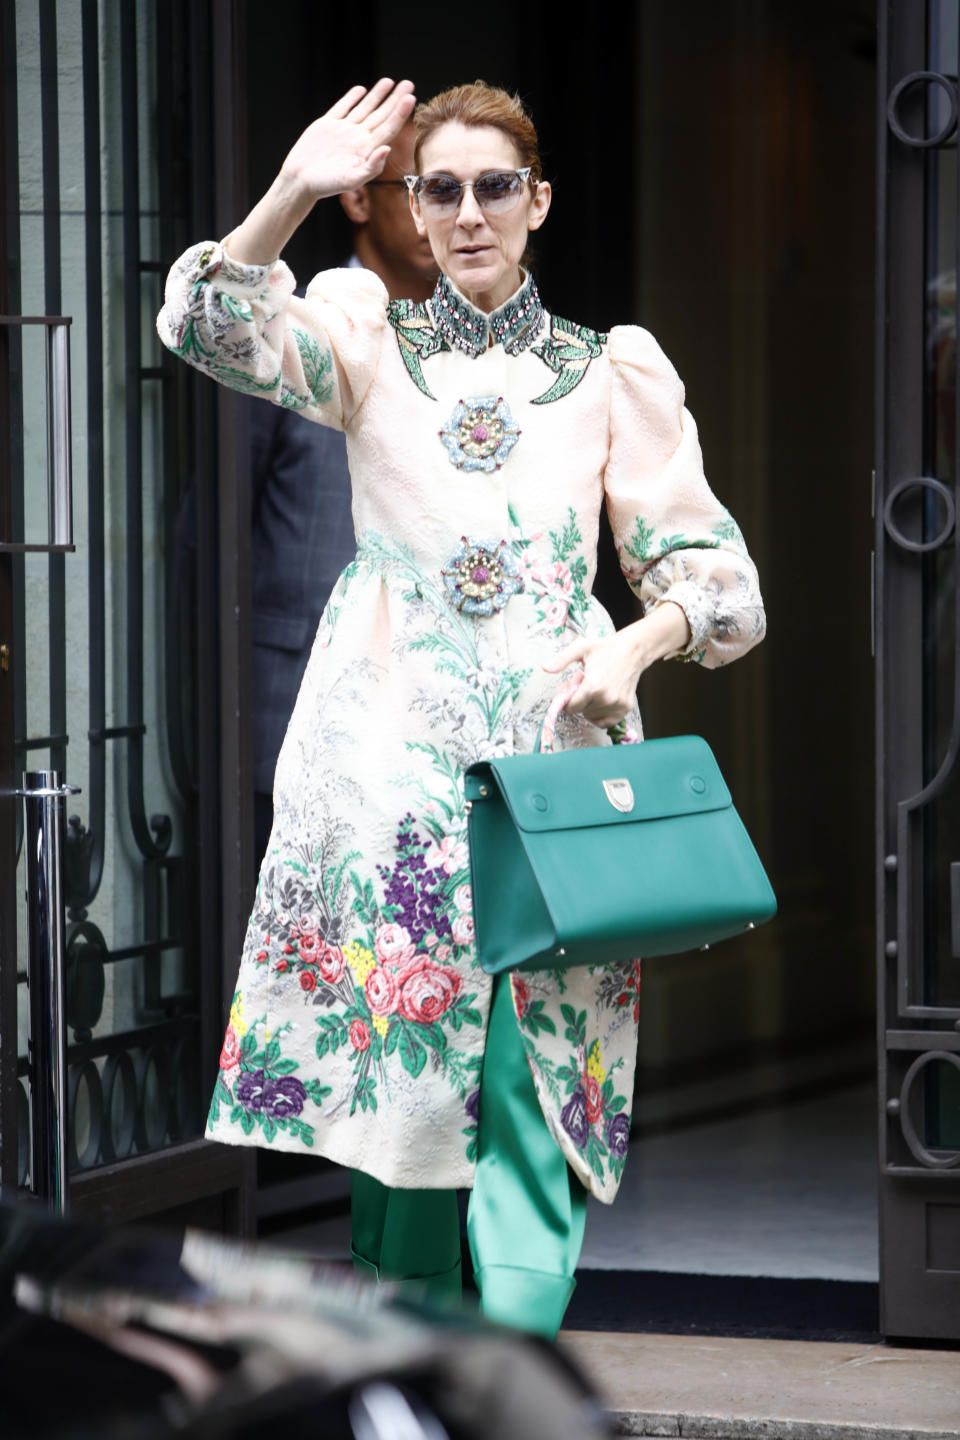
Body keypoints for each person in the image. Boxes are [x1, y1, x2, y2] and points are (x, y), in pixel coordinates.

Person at [157, 78, 766, 1338]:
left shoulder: (611, 371)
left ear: (539, 202)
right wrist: (293, 189)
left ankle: (517, 1388)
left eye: (497, 186)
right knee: (405, 1104)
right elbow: (210, 325)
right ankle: (420, 1395)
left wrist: (638, 646)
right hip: (390, 768)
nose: (470, 211)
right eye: (440, 189)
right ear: (410, 210)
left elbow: (717, 581)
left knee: (535, 1092)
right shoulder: (363, 333)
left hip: (556, 770)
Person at [250, 123, 436, 862]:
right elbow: (211, 534)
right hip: (295, 713)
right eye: (421, 190)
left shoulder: (477, 342)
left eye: (465, 192)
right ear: (357, 197)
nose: (442, 217)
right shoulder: (303, 328)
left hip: (435, 741)